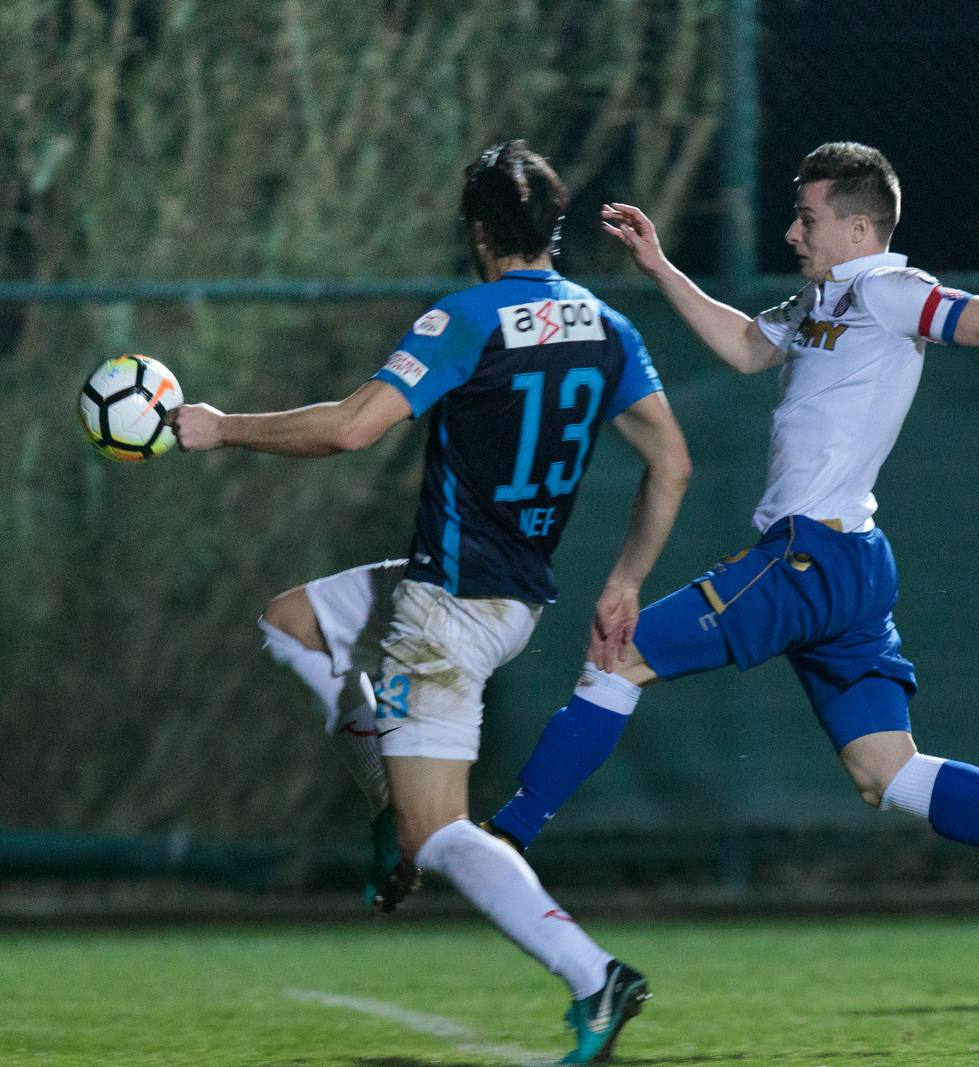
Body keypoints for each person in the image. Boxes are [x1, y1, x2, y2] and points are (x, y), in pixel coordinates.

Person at [482, 141, 979, 977]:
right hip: (851, 565)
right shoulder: (826, 298)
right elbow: (749, 347)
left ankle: (505, 840)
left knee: (620, 651)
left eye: (809, 216)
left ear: (861, 225)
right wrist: (660, 265)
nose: (793, 231)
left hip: (808, 556)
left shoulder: (890, 288)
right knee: (886, 772)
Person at [168, 141, 692, 1063]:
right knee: (292, 621)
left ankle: (591, 974)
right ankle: (386, 800)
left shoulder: (466, 316)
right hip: (508, 595)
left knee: (438, 830)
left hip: (448, 607)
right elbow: (673, 463)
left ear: (480, 232)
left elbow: (348, 429)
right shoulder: (609, 326)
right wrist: (627, 579)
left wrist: (220, 428)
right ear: (553, 231)